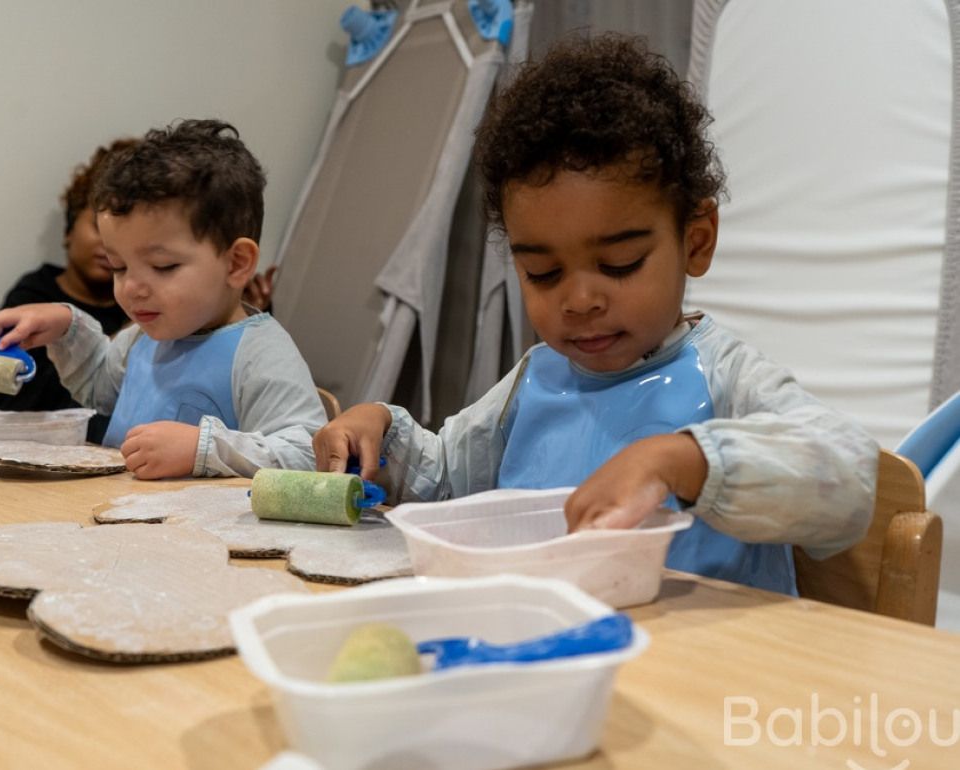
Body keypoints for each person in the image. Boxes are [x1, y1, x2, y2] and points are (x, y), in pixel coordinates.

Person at [312, 34, 878, 594]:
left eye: (620, 263)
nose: (579, 300)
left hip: (701, 670)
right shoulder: (533, 382)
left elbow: (848, 476)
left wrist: (682, 461)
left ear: (696, 241)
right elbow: (445, 478)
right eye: (543, 273)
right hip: (556, 651)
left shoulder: (724, 377)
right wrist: (381, 438)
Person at [0, 119, 326, 479]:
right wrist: (67, 328)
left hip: (199, 532)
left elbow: (308, 454)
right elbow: (100, 389)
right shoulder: (142, 336)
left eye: (163, 266)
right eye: (119, 267)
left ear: (236, 263)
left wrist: (202, 449)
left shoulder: (259, 353)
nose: (132, 287)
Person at [0, 139, 134, 443]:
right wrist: (132, 336)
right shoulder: (34, 298)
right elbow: (1, 396)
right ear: (68, 229)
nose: (108, 245)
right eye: (97, 227)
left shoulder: (142, 301)